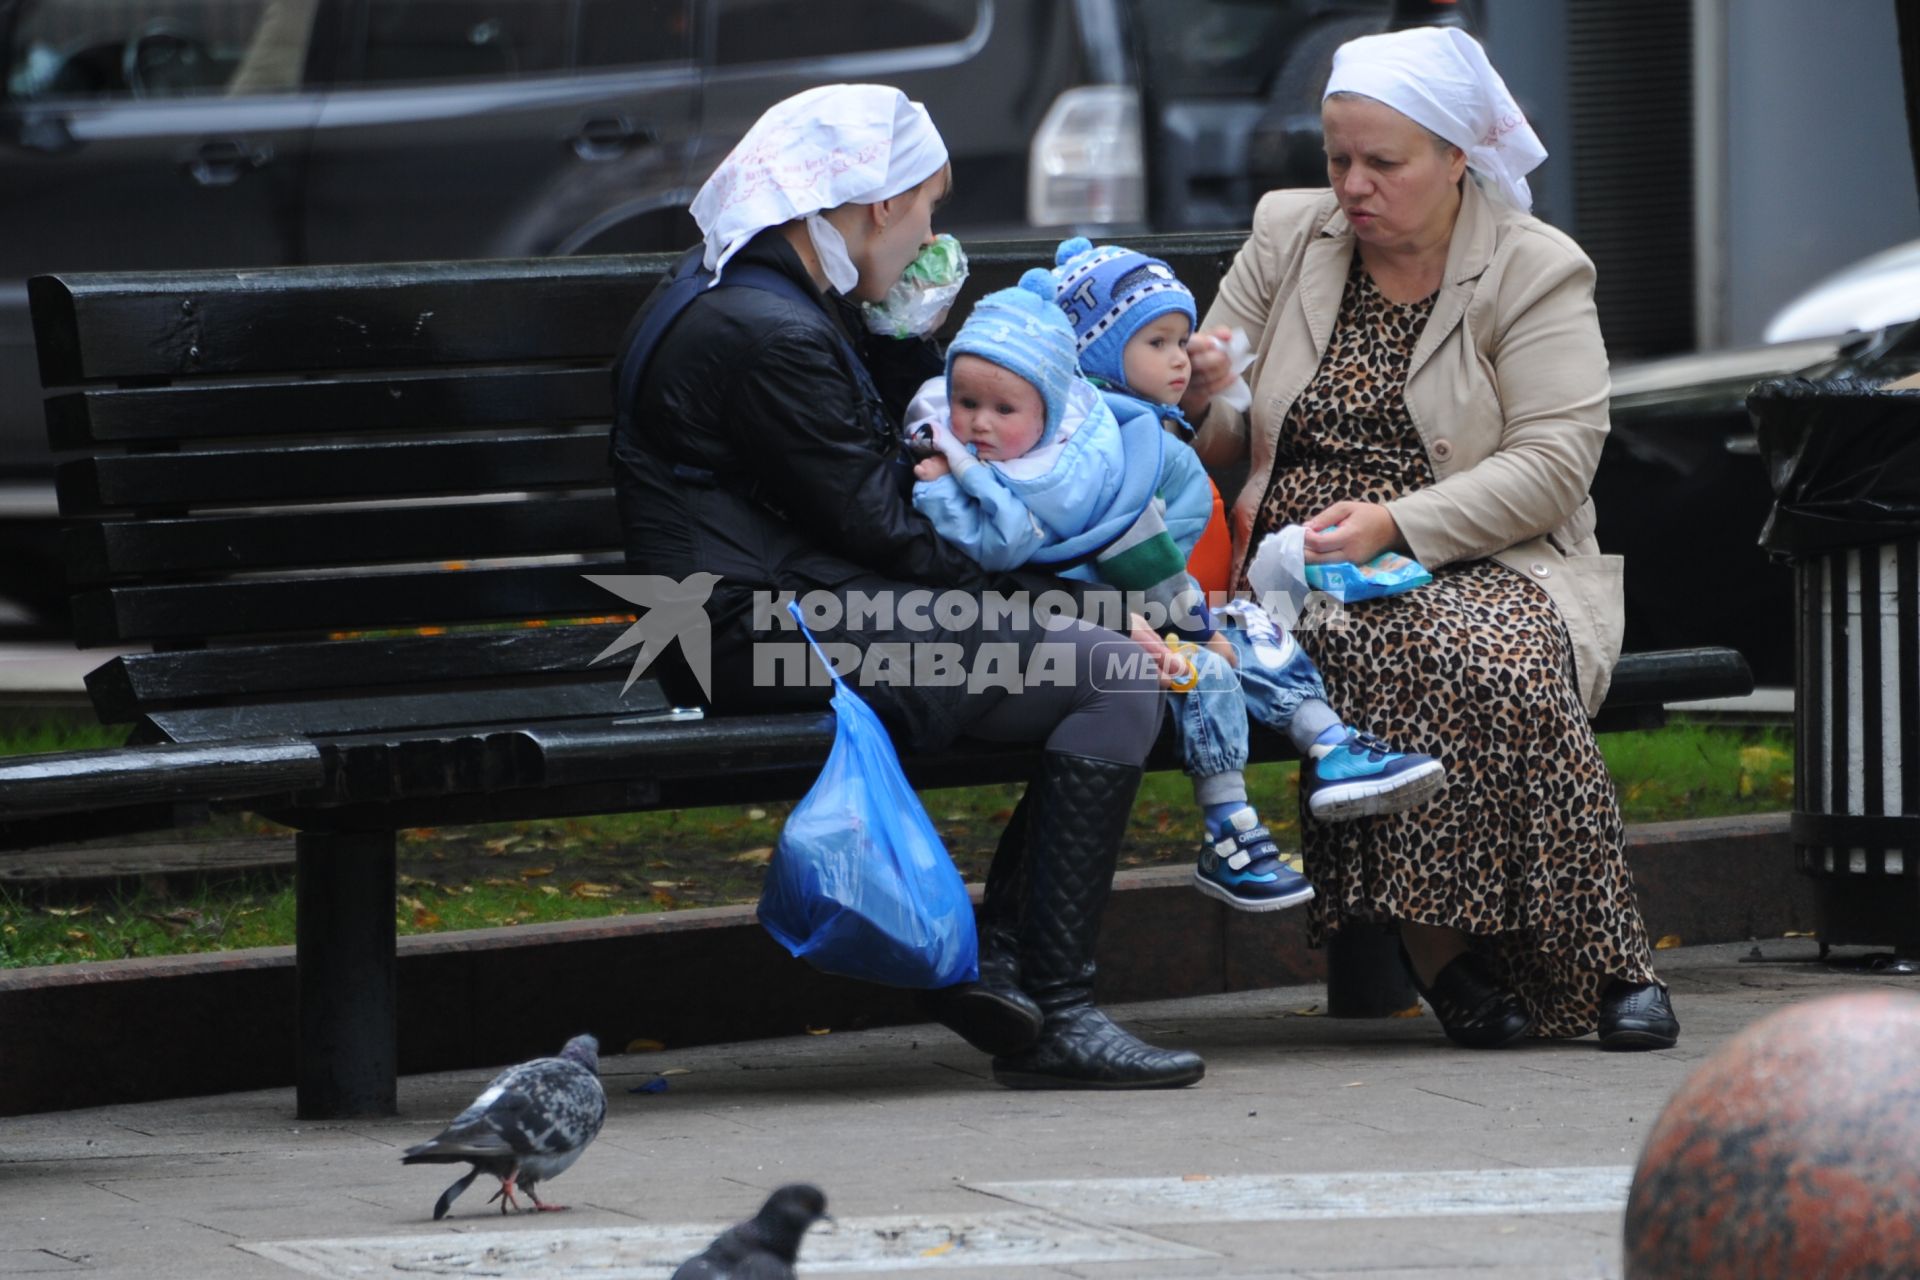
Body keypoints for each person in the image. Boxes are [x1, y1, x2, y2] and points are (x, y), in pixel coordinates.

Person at [609, 83, 1203, 1090]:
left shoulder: (760, 294)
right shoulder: (772, 331)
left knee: (1108, 655)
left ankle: (1013, 973)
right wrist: (1072, 612)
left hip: (770, 609)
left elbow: (859, 501)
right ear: (879, 205)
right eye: (926, 207)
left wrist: (897, 334)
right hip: (759, 631)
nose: (932, 233)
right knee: (1113, 673)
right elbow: (890, 527)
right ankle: (1048, 1000)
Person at [1178, 27, 1678, 1051]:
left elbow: (1553, 462)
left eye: (1382, 163)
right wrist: (1197, 394)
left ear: (1458, 156)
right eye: (1337, 160)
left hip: (1492, 547)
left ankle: (1595, 953)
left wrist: (1399, 522)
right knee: (1382, 639)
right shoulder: (1289, 235)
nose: (1353, 187)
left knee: (1495, 654)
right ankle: (1449, 953)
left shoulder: (1534, 269)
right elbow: (1224, 428)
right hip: (1305, 556)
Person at [905, 268, 1444, 914]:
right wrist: (1191, 631)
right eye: (1155, 342)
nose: (1179, 360)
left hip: (1151, 611)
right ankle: (1228, 828)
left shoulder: (1088, 446)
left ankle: (1329, 742)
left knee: (1257, 628)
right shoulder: (1083, 461)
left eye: (1181, 342)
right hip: (1092, 631)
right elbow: (1139, 561)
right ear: (1098, 350)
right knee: (1207, 668)